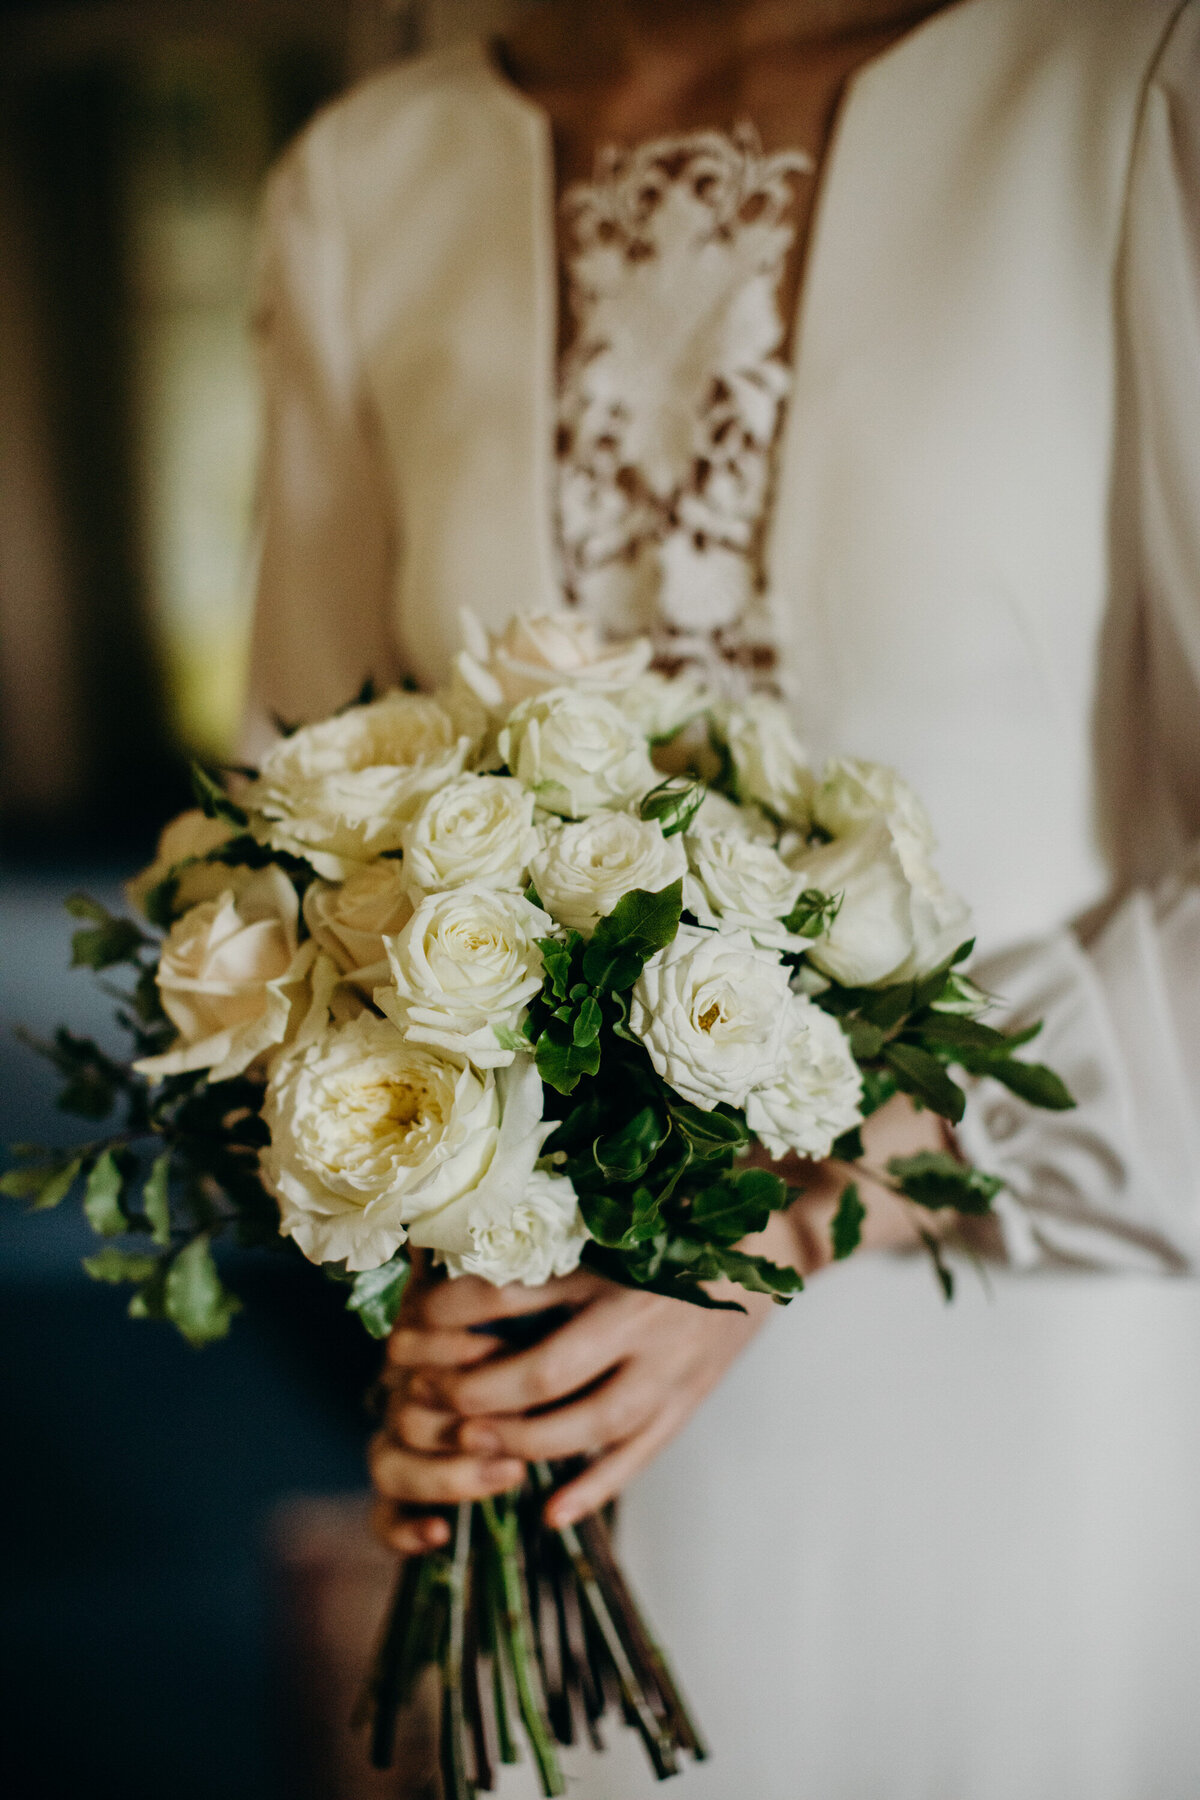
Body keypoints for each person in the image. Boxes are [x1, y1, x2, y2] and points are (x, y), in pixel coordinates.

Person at [246, 2, 1200, 1792]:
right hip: (556, 1440)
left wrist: (815, 1206)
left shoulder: (1136, 82)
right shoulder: (368, 184)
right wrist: (420, 1291)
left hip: (1032, 1380)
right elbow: (300, 834)